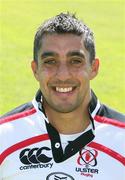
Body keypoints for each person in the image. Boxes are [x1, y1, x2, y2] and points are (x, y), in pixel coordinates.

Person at [0, 12, 125, 180]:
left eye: (75, 61)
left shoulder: (121, 139)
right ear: (35, 69)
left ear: (94, 68)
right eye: (50, 61)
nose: (63, 75)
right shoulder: (4, 136)